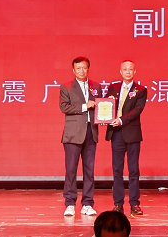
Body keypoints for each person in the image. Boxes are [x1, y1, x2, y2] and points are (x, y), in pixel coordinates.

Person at [104, 60, 147, 216]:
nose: (128, 72)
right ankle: (118, 203)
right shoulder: (113, 87)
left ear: (134, 72)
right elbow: (105, 105)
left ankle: (134, 203)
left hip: (132, 133)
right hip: (116, 133)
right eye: (125, 69)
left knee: (133, 170)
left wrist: (121, 120)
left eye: (130, 69)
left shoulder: (141, 89)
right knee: (117, 170)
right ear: (120, 72)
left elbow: (138, 110)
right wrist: (104, 117)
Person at [60, 56, 99, 217]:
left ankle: (87, 204)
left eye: (84, 68)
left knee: (89, 170)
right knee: (71, 170)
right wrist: (85, 106)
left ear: (88, 68)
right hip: (73, 134)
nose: (81, 71)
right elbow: (64, 107)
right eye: (78, 68)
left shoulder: (96, 86)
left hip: (91, 132)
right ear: (73, 70)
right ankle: (70, 203)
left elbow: (101, 106)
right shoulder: (66, 87)